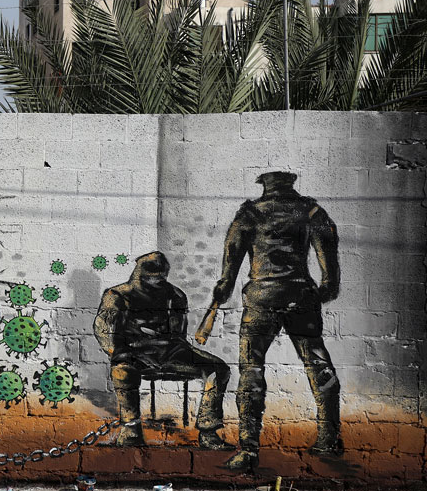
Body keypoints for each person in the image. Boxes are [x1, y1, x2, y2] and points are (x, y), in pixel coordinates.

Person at [211, 171, 342, 471]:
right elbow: (330, 270)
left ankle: (249, 449)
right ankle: (330, 440)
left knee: (251, 373)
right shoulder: (311, 211)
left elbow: (230, 263)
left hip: (260, 300)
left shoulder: (249, 214)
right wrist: (319, 294)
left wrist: (225, 287)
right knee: (319, 365)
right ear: (290, 185)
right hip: (300, 296)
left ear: (265, 187)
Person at [94, 251, 231, 448]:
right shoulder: (116, 295)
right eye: (151, 276)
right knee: (122, 370)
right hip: (132, 354)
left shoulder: (175, 296)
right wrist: (119, 352)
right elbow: (103, 330)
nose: (156, 281)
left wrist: (160, 345)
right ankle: (131, 430)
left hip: (170, 352)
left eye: (160, 276)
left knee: (218, 369)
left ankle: (208, 432)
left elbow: (178, 336)